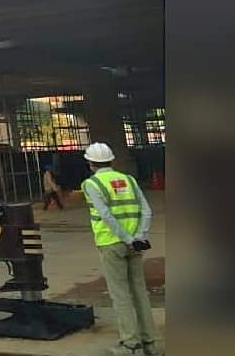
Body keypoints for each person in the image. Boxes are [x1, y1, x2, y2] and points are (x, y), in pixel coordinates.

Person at [81, 142, 160, 356]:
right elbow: (146, 210)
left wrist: (126, 238)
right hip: (135, 243)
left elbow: (106, 215)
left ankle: (130, 344)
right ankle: (150, 343)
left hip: (111, 243)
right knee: (139, 292)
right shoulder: (129, 180)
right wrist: (139, 237)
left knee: (120, 295)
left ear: (90, 163)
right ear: (112, 160)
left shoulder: (91, 184)